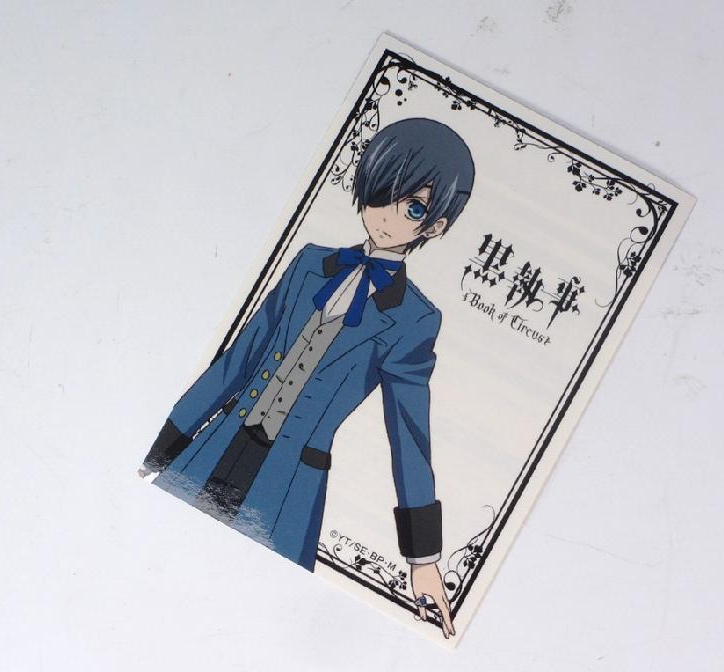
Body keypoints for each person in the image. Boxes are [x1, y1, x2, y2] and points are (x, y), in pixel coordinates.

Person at [139, 117, 474, 639]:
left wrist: (423, 556)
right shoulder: (311, 264)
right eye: (380, 192)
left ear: (435, 226)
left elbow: (409, 435)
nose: (386, 216)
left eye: (412, 208)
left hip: (290, 484)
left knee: (250, 616)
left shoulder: (415, 319)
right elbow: (239, 359)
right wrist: (163, 444)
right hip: (217, 445)